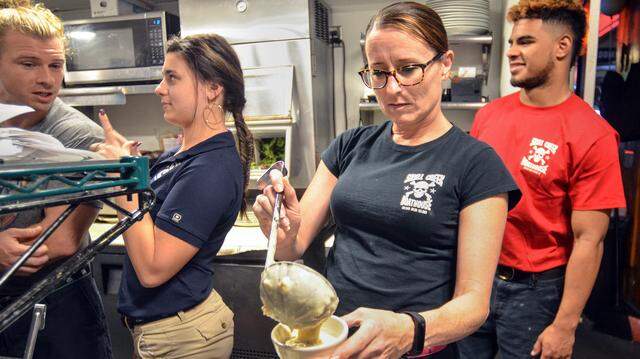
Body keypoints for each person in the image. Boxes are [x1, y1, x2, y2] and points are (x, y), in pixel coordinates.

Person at [253, 2, 521, 358]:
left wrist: (409, 330)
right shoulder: (349, 145)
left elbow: (474, 304)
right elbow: (293, 247)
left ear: (445, 65)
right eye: (378, 72)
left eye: (409, 69)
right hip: (333, 340)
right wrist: (283, 230)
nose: (392, 88)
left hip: (415, 349)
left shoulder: (476, 164)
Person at [457, 1, 627, 359]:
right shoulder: (489, 116)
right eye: (513, 42)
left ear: (562, 47)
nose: (512, 52)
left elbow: (589, 239)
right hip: (476, 276)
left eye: (526, 42)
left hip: (535, 294)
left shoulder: (592, 134)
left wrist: (564, 325)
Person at [92, 33, 254, 359]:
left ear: (213, 88)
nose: (159, 89)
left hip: (183, 339)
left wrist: (125, 180)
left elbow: (153, 269)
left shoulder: (211, 168)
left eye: (172, 77)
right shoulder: (182, 154)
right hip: (163, 332)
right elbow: (148, 219)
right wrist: (129, 169)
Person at [0, 1, 111, 358]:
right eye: (29, 64)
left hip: (59, 304)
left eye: (56, 65)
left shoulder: (75, 135)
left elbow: (60, 240)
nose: (47, 79)